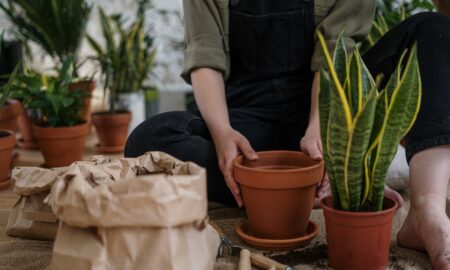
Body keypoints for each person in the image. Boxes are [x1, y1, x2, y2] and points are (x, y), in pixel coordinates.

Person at [125, 0, 450, 269]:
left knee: (432, 30)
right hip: (246, 128)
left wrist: (319, 128)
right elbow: (204, 54)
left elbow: (337, 51)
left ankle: (426, 211)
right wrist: (223, 133)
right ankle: (292, 186)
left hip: (332, 110)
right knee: (148, 139)